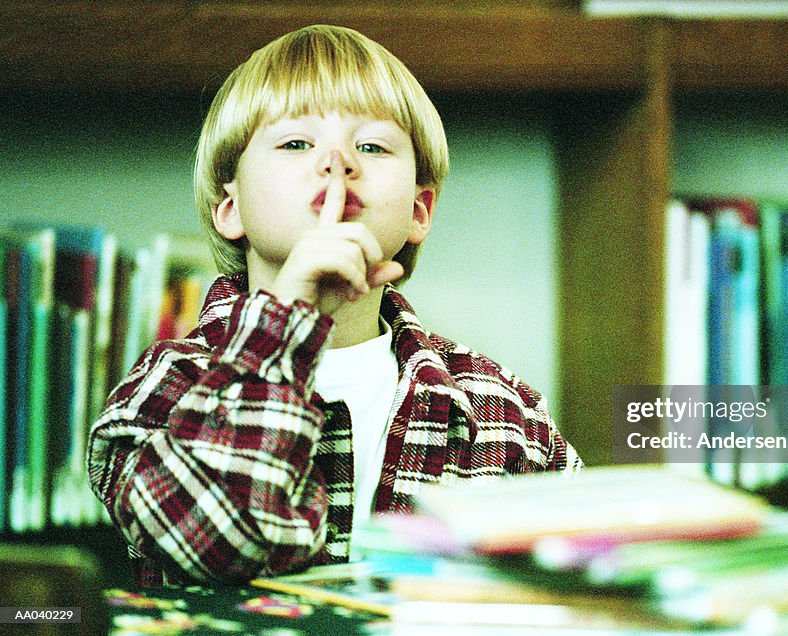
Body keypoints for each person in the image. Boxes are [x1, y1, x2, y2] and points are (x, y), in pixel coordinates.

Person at [87, 24, 582, 586]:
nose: (338, 161)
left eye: (371, 145)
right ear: (232, 209)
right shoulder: (167, 385)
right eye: (296, 143)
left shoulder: (503, 410)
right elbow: (215, 545)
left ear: (420, 210)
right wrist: (287, 314)